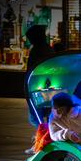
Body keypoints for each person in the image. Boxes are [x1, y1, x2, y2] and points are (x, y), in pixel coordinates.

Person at [25, 25, 54, 154]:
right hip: (47, 88)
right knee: (44, 117)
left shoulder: (37, 50)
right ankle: (43, 141)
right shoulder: (48, 49)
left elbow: (33, 70)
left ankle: (42, 143)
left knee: (37, 118)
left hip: (38, 89)